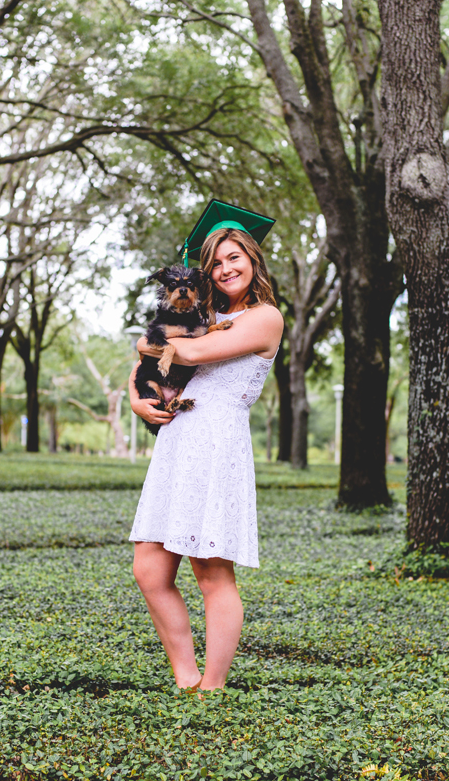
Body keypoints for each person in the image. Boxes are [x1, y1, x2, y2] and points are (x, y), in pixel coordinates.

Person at [128, 225, 284, 691]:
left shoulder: (265, 318)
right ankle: (186, 677)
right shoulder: (204, 311)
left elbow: (187, 351)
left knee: (211, 571)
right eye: (215, 263)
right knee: (149, 569)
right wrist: (136, 399)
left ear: (252, 260)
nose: (226, 269)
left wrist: (148, 345)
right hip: (177, 441)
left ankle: (212, 686)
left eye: (234, 258)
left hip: (216, 443)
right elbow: (147, 360)